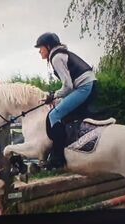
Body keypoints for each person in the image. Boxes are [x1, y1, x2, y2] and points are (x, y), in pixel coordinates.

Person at [34, 32, 97, 169]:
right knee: (60, 109)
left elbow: (67, 86)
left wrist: (54, 95)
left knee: (54, 115)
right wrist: (57, 97)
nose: (39, 51)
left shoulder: (56, 58)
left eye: (41, 48)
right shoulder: (60, 54)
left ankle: (59, 158)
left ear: (48, 46)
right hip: (88, 84)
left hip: (84, 87)